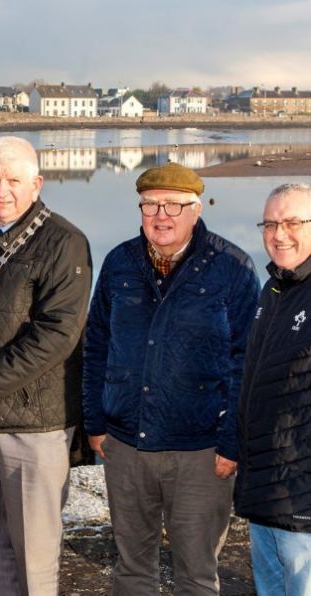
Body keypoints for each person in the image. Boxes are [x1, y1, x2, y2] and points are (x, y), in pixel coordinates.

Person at [82, 162, 260, 595]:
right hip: (127, 446)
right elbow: (96, 345)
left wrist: (231, 443)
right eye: (150, 205)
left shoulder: (231, 268)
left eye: (174, 206)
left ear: (196, 210)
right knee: (131, 570)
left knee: (197, 573)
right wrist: (94, 422)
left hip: (200, 451)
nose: (161, 215)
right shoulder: (119, 262)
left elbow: (245, 362)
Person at [0, 136, 92, 596]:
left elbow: (56, 336)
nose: (1, 190)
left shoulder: (64, 242)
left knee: (33, 554)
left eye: (13, 180)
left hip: (33, 423)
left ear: (37, 184)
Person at [236, 183, 311, 595]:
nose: (279, 234)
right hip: (266, 491)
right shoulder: (275, 289)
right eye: (270, 224)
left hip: (302, 497)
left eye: (293, 222)